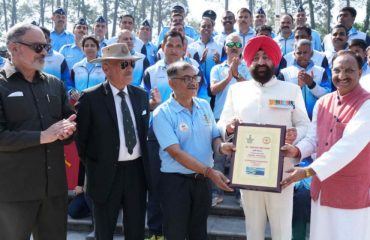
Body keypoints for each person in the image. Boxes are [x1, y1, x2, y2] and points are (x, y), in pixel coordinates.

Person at [217, 35, 310, 240]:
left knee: (281, 230)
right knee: (253, 229)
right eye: (256, 57)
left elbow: (305, 125)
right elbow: (222, 123)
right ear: (248, 61)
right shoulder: (237, 90)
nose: (261, 62)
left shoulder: (291, 90)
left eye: (266, 57)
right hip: (248, 170)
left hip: (282, 172)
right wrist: (230, 127)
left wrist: (296, 136)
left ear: (274, 61)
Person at [281, 50, 370, 240]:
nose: (342, 76)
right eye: (337, 70)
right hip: (322, 190)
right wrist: (296, 150)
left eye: (349, 70)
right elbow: (313, 140)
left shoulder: (367, 105)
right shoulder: (323, 102)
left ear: (360, 73)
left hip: (351, 192)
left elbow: (349, 146)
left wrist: (307, 171)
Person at [0, 22, 76, 240]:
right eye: (37, 47)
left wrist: (69, 130)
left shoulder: (55, 85)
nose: (44, 52)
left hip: (53, 191)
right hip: (14, 193)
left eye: (46, 47)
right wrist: (43, 136)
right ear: (14, 48)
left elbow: (68, 122)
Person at [76, 43, 150, 240]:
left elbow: (143, 135)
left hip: (136, 173)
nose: (129, 69)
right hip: (104, 175)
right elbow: (81, 143)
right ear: (106, 69)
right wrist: (98, 166)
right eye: (123, 64)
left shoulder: (141, 96)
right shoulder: (90, 98)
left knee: (136, 231)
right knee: (104, 232)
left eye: (131, 64)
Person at [152, 61, 234, 239]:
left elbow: (214, 136)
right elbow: (176, 153)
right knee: (176, 233)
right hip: (175, 183)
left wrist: (221, 147)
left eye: (195, 77)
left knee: (198, 233)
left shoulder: (204, 105)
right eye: (186, 78)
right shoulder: (162, 113)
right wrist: (209, 172)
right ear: (171, 83)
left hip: (202, 182)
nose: (193, 82)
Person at [210, 33, 251, 206]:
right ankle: (216, 193)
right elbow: (213, 90)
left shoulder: (248, 68)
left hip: (242, 118)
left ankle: (239, 195)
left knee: (240, 157)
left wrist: (237, 75)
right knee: (219, 156)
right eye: (230, 44)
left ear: (241, 48)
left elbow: (252, 90)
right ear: (225, 47)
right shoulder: (216, 69)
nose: (234, 47)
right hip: (221, 117)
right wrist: (228, 76)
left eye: (237, 44)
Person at [278, 39, 331, 119]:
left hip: (316, 118)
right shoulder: (285, 73)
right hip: (293, 119)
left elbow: (327, 95)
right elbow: (279, 100)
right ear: (294, 54)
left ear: (311, 54)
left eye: (305, 52)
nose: (302, 55)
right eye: (299, 53)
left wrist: (312, 85)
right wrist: (298, 87)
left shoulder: (320, 71)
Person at [70, 35, 105, 101]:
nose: (89, 48)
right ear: (83, 49)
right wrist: (72, 91)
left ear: (97, 48)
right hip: (80, 103)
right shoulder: (76, 67)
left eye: (92, 45)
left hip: (98, 103)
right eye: (86, 46)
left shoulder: (104, 67)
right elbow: (70, 83)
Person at [40, 26, 72, 92]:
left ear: (50, 40)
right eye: (39, 37)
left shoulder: (59, 58)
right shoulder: (28, 57)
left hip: (55, 98)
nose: (41, 40)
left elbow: (66, 81)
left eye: (44, 37)